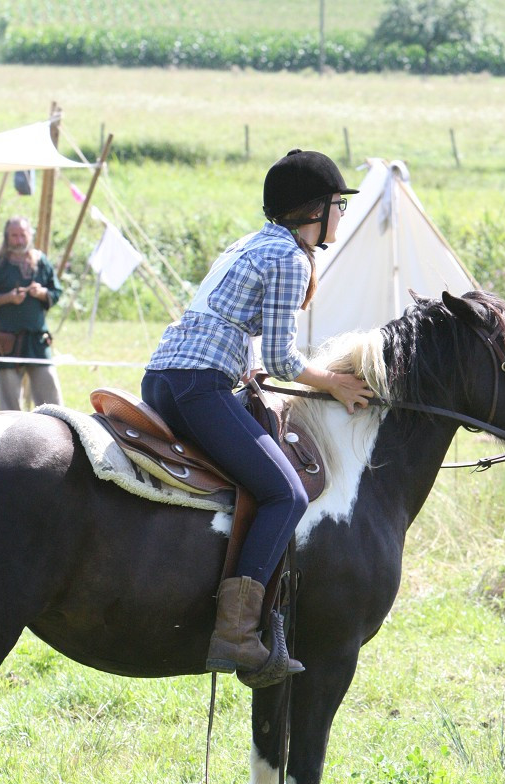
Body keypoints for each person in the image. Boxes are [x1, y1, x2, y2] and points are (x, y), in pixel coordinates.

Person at [142, 148, 373, 683]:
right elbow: (282, 358)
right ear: (313, 210)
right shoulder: (291, 257)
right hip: (199, 386)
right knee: (286, 493)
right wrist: (334, 382)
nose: (341, 213)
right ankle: (237, 633)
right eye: (338, 203)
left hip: (165, 378)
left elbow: (230, 330)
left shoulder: (248, 243)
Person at [0, 216, 63, 410]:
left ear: (29, 235)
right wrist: (8, 297)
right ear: (7, 237)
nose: (18, 240)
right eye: (14, 236)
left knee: (52, 401)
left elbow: (56, 291)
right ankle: (10, 439)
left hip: (36, 339)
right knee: (9, 407)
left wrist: (42, 293)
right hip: (6, 341)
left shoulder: (41, 261)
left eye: (22, 235)